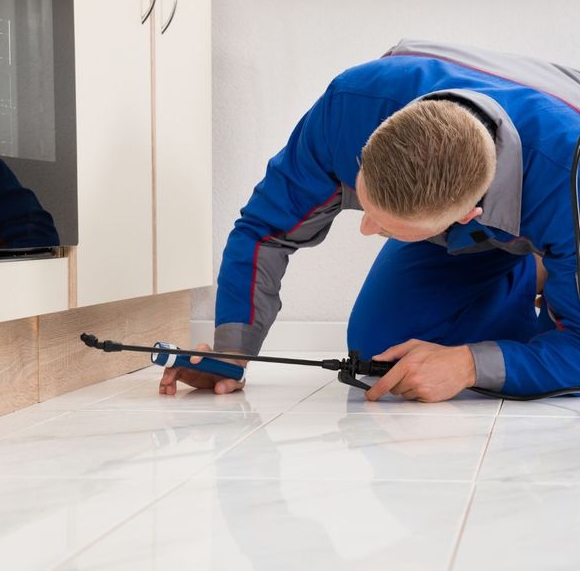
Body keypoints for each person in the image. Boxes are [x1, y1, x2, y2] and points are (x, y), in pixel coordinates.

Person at [159, 38, 580, 402]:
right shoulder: (348, 110)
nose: (365, 229)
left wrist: (470, 366)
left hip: (557, 188)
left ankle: (553, 266)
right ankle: (543, 272)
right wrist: (233, 353)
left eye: (389, 226)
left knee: (541, 358)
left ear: (467, 216)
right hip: (517, 200)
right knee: (381, 352)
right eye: (367, 203)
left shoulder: (568, 180)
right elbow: (264, 231)